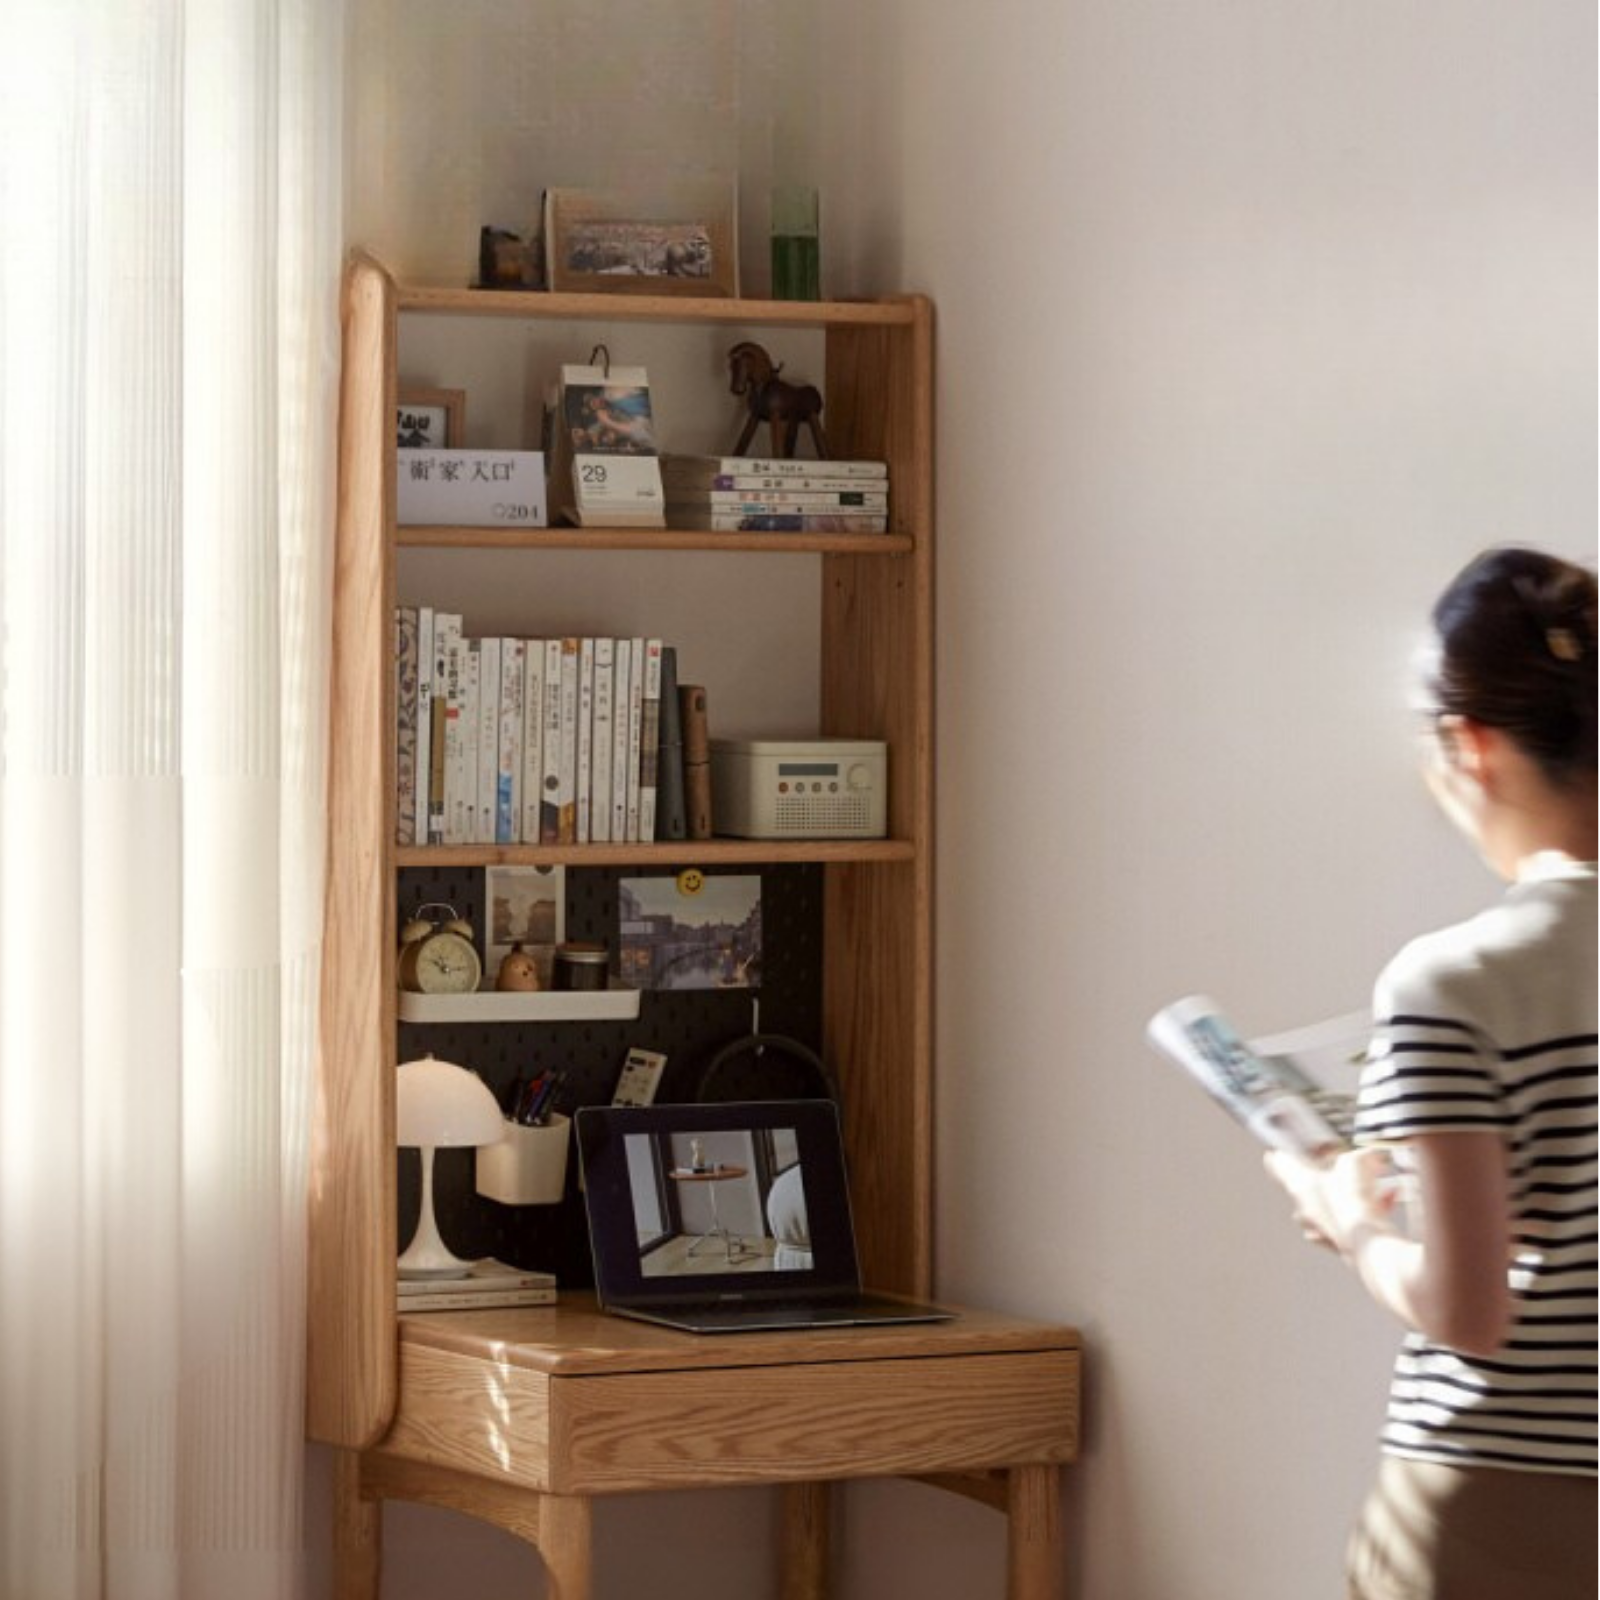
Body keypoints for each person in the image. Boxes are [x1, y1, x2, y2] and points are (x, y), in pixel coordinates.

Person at [1266, 546, 1596, 1600]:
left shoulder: (1452, 982)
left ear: (1471, 745)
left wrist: (1350, 1221)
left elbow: (1467, 1309)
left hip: (1494, 1499)